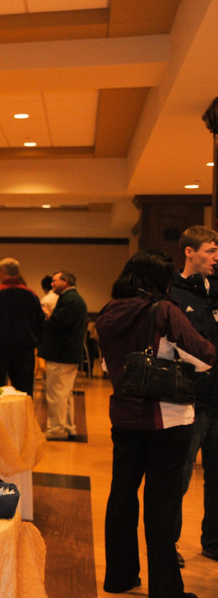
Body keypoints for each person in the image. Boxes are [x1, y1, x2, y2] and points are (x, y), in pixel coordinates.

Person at [97, 251, 212, 598]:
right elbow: (204, 356)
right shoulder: (164, 310)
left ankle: (120, 577)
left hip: (124, 416)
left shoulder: (108, 312)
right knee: (160, 504)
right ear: (157, 279)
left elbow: (106, 366)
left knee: (121, 495)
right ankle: (166, 589)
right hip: (167, 418)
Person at [169, 226, 218, 563]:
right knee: (179, 477)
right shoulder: (171, 292)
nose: (216, 258)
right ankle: (167, 545)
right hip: (189, 400)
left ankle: (213, 542)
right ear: (189, 251)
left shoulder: (217, 290)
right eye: (211, 251)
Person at [0, 258, 45, 394]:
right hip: (25, 351)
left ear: (2, 272)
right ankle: (23, 415)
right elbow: (41, 323)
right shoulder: (31, 295)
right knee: (24, 391)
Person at [40, 271, 89, 441]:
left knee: (56, 394)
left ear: (65, 281)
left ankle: (56, 429)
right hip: (68, 353)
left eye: (55, 281)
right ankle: (69, 426)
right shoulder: (73, 299)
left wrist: (46, 315)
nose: (52, 284)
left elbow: (57, 324)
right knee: (65, 393)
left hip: (61, 354)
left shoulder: (70, 300)